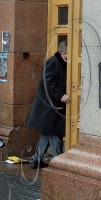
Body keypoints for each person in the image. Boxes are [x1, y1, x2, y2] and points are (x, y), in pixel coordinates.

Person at [26, 40, 70, 168]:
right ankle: (58, 162)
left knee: (47, 133)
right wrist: (60, 95)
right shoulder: (53, 62)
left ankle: (36, 160)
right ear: (64, 52)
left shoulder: (59, 62)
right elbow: (47, 82)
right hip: (50, 108)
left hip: (50, 109)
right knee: (56, 133)